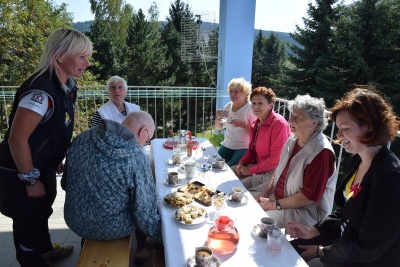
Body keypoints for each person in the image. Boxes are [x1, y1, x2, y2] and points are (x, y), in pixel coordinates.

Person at [0, 28, 92, 266]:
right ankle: (33, 258)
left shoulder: (65, 85)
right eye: (82, 56)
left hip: (42, 164)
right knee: (27, 222)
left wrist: (54, 155)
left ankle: (46, 250)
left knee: (42, 211)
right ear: (60, 56)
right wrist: (30, 179)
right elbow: (17, 139)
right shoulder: (41, 92)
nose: (87, 63)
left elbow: (52, 128)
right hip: (20, 170)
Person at [286, 88, 400, 267]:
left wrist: (320, 251)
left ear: (369, 127)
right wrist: (313, 231)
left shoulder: (390, 178)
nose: (338, 135)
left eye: (345, 128)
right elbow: (346, 211)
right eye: (339, 128)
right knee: (284, 250)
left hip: (364, 259)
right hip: (342, 242)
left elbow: (367, 248)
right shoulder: (358, 159)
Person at [62, 111, 162, 264]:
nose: (144, 144)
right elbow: (145, 215)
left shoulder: (82, 138)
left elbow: (65, 183)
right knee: (148, 204)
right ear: (143, 131)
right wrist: (166, 237)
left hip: (75, 219)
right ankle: (142, 251)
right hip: (112, 228)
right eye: (147, 140)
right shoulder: (134, 157)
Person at [257, 95, 337, 227]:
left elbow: (308, 197)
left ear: (314, 123)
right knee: (246, 201)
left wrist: (274, 205)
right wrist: (265, 192)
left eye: (297, 118)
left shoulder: (322, 152)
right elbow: (279, 169)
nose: (290, 121)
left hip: (303, 211)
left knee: (255, 220)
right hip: (280, 199)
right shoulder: (293, 138)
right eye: (291, 116)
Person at [235, 87, 290, 196]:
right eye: (254, 103)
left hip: (273, 172)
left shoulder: (279, 124)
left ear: (271, 105)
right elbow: (251, 150)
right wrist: (242, 163)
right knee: (230, 174)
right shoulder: (256, 123)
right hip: (259, 165)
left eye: (260, 103)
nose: (256, 107)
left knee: (239, 188)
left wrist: (250, 170)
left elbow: (275, 160)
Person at [214, 78, 257, 166]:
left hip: (243, 147)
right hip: (227, 145)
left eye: (236, 91)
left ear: (245, 93)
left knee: (231, 168)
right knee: (216, 165)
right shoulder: (228, 106)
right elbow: (218, 127)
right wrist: (218, 118)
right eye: (231, 91)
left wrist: (242, 125)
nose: (233, 94)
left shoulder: (250, 108)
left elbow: (256, 131)